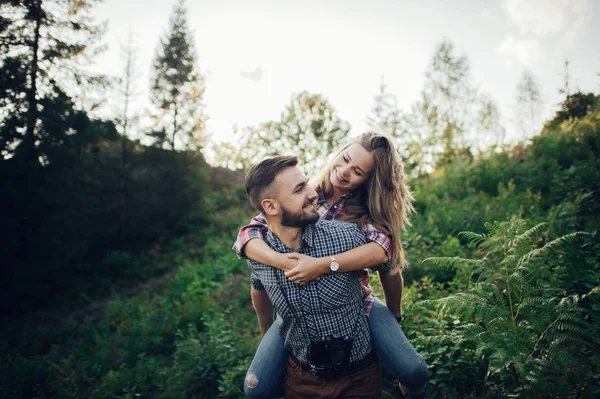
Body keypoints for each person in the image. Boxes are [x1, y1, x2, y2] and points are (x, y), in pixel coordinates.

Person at [234, 132, 428, 398]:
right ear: (338, 152)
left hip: (353, 302)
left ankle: (411, 389)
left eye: (358, 171)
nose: (344, 172)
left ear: (369, 180)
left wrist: (322, 266)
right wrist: (280, 261)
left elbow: (383, 253)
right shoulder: (309, 191)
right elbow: (249, 234)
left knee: (412, 369)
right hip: (296, 305)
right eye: (345, 159)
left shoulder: (365, 212)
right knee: (257, 388)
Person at [244, 155, 392, 398]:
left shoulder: (348, 237)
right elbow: (257, 287)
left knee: (413, 369)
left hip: (359, 376)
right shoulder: (258, 253)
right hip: (301, 379)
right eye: (300, 189)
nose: (313, 194)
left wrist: (394, 312)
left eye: (307, 183)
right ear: (270, 207)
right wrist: (267, 331)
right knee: (255, 390)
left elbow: (388, 263)